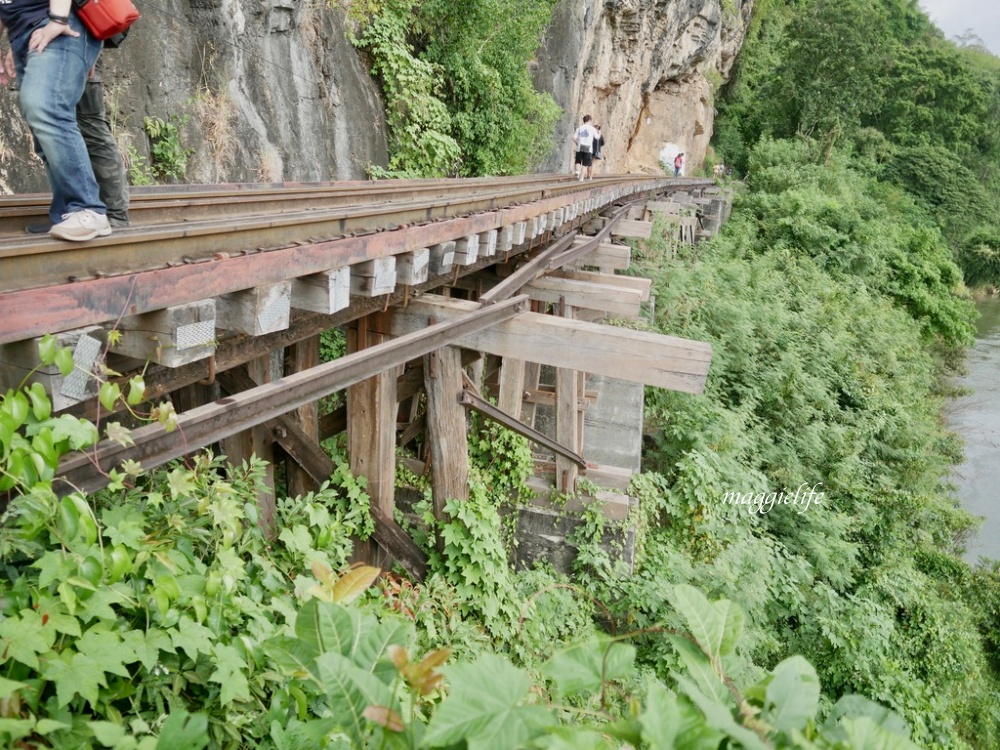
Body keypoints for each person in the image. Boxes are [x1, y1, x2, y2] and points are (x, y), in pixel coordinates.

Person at [0, 1, 112, 242]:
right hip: (24, 32)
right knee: (44, 130)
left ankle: (88, 209)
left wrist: (59, 19)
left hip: (59, 21)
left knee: (45, 108)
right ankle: (66, 213)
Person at [22, 55, 131, 233]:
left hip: (77, 48)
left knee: (90, 127)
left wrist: (89, 49)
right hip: (45, 54)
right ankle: (69, 214)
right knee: (51, 135)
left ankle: (115, 215)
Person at [572, 114, 598, 182]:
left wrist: (577, 143)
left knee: (578, 161)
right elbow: (597, 137)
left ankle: (577, 170)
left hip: (580, 146)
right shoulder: (592, 129)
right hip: (588, 147)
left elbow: (574, 138)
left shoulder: (579, 128)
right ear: (589, 120)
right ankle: (581, 178)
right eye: (591, 121)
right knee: (585, 164)